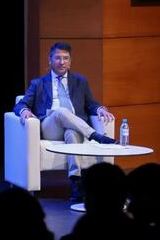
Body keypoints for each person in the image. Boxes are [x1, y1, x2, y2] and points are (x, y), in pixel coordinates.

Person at [13, 42, 115, 203]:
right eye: (58, 58)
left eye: (65, 58)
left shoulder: (80, 81)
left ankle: (75, 181)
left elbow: (91, 104)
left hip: (75, 126)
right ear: (50, 60)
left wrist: (100, 109)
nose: (62, 62)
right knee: (60, 111)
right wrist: (24, 110)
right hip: (50, 127)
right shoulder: (38, 83)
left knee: (72, 134)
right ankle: (95, 135)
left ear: (70, 61)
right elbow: (20, 104)